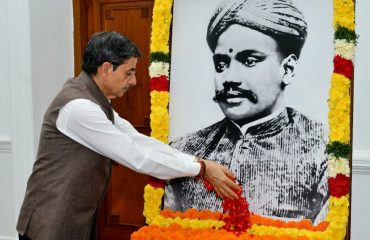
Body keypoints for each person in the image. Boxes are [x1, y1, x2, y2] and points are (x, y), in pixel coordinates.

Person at [16, 31, 241, 240]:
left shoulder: (95, 101)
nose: (134, 81)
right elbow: (137, 157)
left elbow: (136, 140)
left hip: (73, 220)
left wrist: (196, 163)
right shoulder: (80, 108)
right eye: (129, 72)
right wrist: (201, 169)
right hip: (51, 222)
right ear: (105, 69)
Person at [164, 0, 329, 224]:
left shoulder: (323, 151)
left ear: (288, 69)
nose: (230, 78)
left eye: (249, 61)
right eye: (221, 64)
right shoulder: (185, 149)